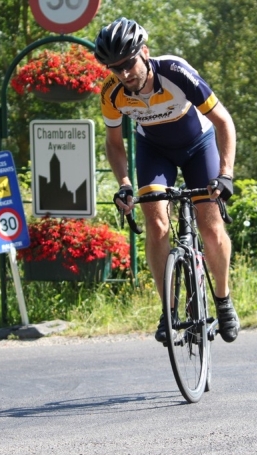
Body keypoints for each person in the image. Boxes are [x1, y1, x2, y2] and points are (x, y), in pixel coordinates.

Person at [93, 17, 240, 343]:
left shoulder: (174, 71)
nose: (124, 73)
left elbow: (224, 122)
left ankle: (223, 298)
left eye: (128, 63)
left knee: (210, 226)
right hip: (153, 151)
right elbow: (114, 145)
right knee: (157, 225)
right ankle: (168, 309)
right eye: (114, 68)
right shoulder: (112, 92)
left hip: (198, 146)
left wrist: (226, 174)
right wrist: (124, 184)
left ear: (144, 52)